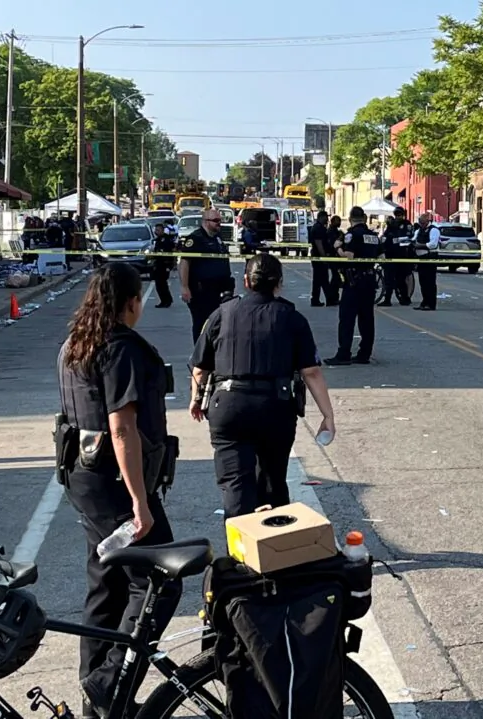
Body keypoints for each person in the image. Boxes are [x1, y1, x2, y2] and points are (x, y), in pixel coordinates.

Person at [57, 263, 179, 719]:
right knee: (158, 585)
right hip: (112, 484)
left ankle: (96, 702)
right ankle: (108, 686)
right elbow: (122, 429)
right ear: (131, 302)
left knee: (106, 587)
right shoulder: (119, 349)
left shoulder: (75, 343)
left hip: (81, 479)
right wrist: (140, 504)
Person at [189, 254, 336, 517]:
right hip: (274, 407)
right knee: (272, 482)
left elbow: (200, 367)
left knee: (235, 484)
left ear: (245, 281)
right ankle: (274, 551)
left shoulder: (221, 314)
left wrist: (196, 398)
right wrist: (327, 415)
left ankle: (239, 552)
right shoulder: (292, 318)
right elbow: (311, 372)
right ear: (279, 283)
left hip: (228, 406)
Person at [324, 206, 381, 366]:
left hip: (354, 281)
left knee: (347, 318)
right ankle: (364, 354)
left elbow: (349, 256)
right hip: (370, 281)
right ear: (364, 218)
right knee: (367, 319)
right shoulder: (373, 236)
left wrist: (338, 248)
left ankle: (344, 354)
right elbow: (381, 255)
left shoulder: (351, 235)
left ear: (350, 219)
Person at [178, 207, 232, 346]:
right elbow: (184, 263)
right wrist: (185, 287)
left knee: (219, 324)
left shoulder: (218, 238)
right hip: (201, 291)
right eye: (215, 221)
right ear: (205, 222)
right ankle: (199, 357)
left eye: (220, 220)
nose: (219, 223)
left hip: (219, 290)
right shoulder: (195, 238)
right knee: (202, 324)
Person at [377, 207, 413, 307]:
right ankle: (387, 299)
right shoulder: (391, 225)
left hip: (401, 256)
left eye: (400, 214)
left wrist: (394, 240)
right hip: (390, 255)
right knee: (388, 279)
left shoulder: (407, 224)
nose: (398, 217)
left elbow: (407, 239)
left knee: (400, 279)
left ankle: (405, 298)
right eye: (396, 215)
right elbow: (385, 237)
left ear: (403, 215)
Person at [412, 213, 441, 311]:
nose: (421, 224)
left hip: (430, 258)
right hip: (421, 258)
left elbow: (433, 244)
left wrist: (420, 245)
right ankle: (424, 302)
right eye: (420, 222)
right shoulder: (419, 230)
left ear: (427, 221)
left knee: (430, 282)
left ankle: (431, 304)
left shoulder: (434, 230)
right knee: (422, 282)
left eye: (423, 222)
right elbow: (414, 239)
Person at [309, 211, 338, 306]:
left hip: (317, 256)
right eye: (326, 217)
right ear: (321, 217)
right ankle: (329, 299)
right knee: (323, 279)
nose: (327, 219)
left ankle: (316, 300)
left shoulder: (320, 227)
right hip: (319, 257)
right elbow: (319, 243)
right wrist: (324, 257)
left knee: (318, 280)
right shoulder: (318, 228)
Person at [149, 220, 175, 308]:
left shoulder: (166, 240)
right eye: (156, 230)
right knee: (159, 284)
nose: (156, 232)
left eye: (158, 230)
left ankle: (166, 301)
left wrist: (169, 266)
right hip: (158, 264)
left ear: (162, 230)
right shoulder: (157, 240)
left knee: (161, 284)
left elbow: (170, 253)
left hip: (164, 265)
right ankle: (165, 300)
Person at [327, 215, 346, 298]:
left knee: (337, 277)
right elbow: (333, 244)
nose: (339, 223)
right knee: (335, 277)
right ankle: (332, 296)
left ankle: (334, 296)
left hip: (337, 257)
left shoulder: (336, 231)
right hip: (333, 257)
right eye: (338, 221)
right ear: (333, 222)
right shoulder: (331, 231)